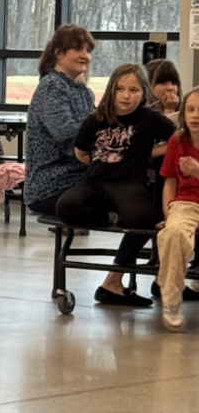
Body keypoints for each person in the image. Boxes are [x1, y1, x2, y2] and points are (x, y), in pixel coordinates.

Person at [56, 63, 174, 307]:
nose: (126, 96)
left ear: (143, 94)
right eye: (120, 89)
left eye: (133, 90)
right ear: (112, 90)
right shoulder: (96, 118)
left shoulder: (150, 119)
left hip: (129, 184)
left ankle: (113, 280)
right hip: (96, 183)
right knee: (66, 206)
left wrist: (151, 152)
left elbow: (180, 139)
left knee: (144, 219)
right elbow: (80, 152)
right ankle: (111, 217)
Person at [24, 24, 96, 215]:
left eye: (88, 50)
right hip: (52, 183)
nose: (85, 56)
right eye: (78, 49)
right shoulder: (52, 86)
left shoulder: (84, 93)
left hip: (77, 176)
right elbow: (64, 132)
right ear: (59, 53)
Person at [154, 87, 199, 330]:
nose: (195, 116)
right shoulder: (177, 141)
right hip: (186, 203)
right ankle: (171, 300)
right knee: (173, 233)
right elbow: (169, 181)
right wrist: (168, 214)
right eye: (190, 109)